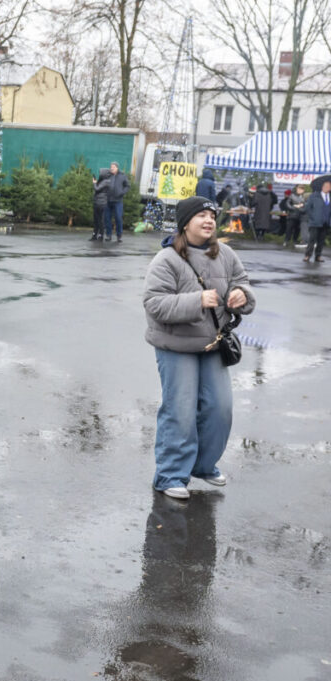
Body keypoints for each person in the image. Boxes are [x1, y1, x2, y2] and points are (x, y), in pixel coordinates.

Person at [143, 197, 256, 500]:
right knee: (180, 411)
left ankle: (203, 466)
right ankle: (170, 475)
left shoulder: (226, 254)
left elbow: (243, 282)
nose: (208, 221)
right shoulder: (166, 259)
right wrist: (197, 301)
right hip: (175, 345)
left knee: (220, 408)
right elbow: (154, 304)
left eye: (212, 216)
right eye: (201, 215)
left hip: (212, 343)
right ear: (185, 223)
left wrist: (241, 295)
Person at [302, 180, 331, 263]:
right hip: (315, 222)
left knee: (321, 241)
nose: (328, 187)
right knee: (312, 240)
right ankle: (308, 255)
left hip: (325, 222)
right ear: (322, 187)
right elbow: (307, 208)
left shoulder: (329, 196)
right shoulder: (314, 196)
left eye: (329, 186)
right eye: (326, 186)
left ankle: (318, 256)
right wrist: (313, 217)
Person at [104, 161, 131, 242]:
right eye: (111, 167)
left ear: (117, 168)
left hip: (118, 201)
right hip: (108, 200)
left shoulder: (122, 176)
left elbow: (127, 186)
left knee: (118, 218)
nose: (111, 168)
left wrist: (122, 193)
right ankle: (108, 235)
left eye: (113, 167)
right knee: (107, 218)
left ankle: (119, 236)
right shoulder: (108, 176)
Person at [91, 168, 111, 241]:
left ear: (104, 174)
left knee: (100, 220)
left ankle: (100, 235)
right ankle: (94, 235)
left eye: (101, 173)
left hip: (102, 203)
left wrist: (94, 183)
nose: (100, 174)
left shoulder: (106, 182)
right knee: (96, 220)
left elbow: (97, 189)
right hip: (97, 202)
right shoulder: (103, 181)